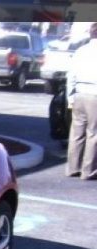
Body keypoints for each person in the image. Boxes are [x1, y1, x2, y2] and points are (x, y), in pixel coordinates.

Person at [66, 22, 97, 179]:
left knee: (76, 132)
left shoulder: (80, 51)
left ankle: (73, 167)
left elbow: (71, 75)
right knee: (93, 133)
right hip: (95, 95)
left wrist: (70, 97)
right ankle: (88, 171)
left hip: (79, 93)